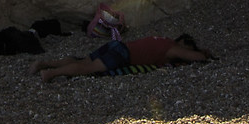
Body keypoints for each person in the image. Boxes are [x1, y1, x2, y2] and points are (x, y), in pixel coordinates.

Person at [36, 33, 212, 81]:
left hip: (118, 45)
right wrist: (202, 52)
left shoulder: (164, 40)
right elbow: (198, 58)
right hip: (123, 54)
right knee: (87, 69)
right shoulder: (172, 48)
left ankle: (45, 64)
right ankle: (50, 74)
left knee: (83, 60)